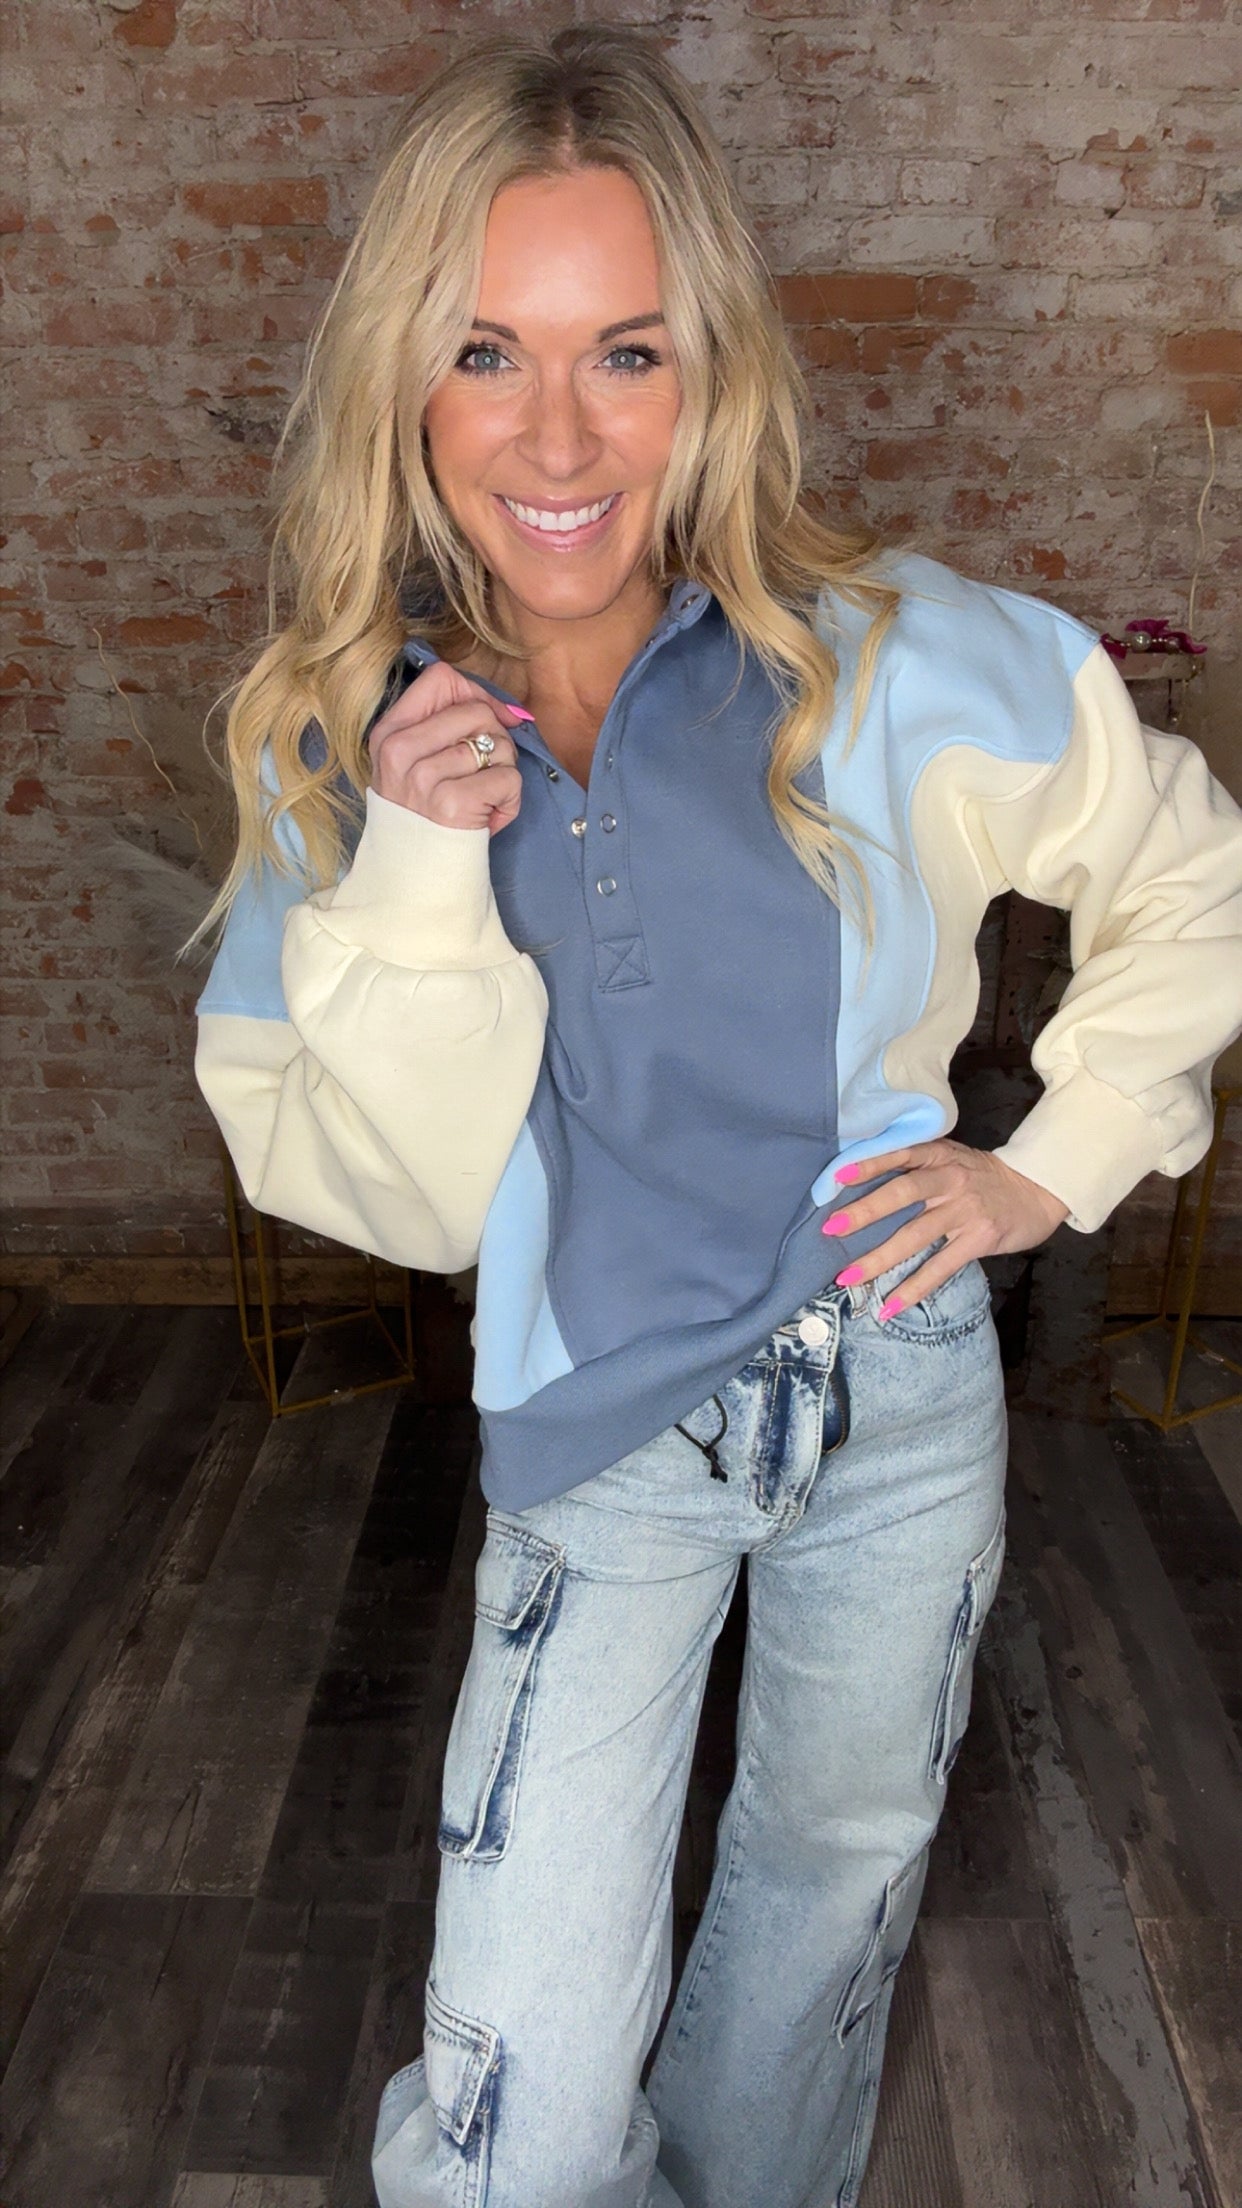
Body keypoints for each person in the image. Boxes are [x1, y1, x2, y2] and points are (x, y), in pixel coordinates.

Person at [191, 25, 1242, 2208]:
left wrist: (1045, 1165)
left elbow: (1192, 870)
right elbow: (392, 1196)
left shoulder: (896, 658)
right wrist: (415, 867)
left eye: (628, 352)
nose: (559, 435)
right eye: (486, 350)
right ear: (404, 380)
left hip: (903, 1385)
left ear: (712, 371)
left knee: (829, 1895)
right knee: (531, 2108)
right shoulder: (342, 743)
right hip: (600, 1447)